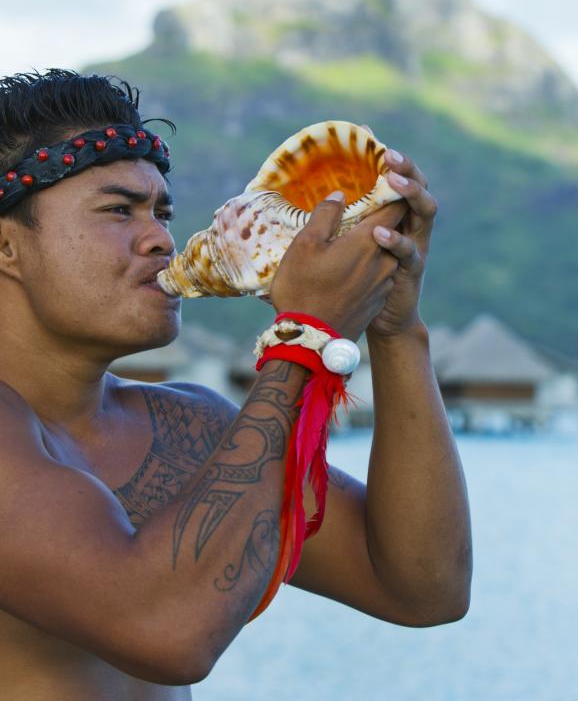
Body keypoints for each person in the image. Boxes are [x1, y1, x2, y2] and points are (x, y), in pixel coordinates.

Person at [0, 69, 472, 699]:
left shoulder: (187, 428)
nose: (161, 239)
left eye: (163, 212)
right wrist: (306, 336)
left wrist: (395, 329)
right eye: (119, 210)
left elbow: (423, 586)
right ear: (7, 248)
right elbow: (167, 633)